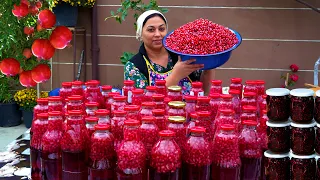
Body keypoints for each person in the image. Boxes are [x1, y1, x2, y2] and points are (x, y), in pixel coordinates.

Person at [124, 10, 215, 94]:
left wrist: (209, 65)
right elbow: (142, 103)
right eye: (151, 30)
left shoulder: (182, 55)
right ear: (140, 33)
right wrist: (176, 75)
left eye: (161, 29)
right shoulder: (134, 66)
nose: (158, 34)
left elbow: (203, 91)